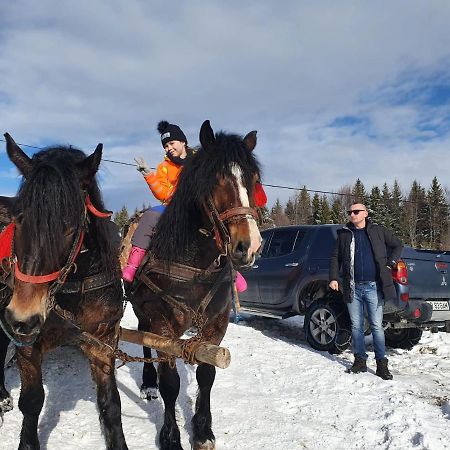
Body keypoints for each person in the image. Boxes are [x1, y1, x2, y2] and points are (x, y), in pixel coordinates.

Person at [329, 203, 403, 380]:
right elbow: (335, 257)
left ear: (365, 214)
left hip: (373, 287)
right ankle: (360, 361)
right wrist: (333, 277)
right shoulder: (344, 233)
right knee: (357, 326)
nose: (352, 215)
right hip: (352, 286)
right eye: (350, 212)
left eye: (356, 212)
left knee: (377, 326)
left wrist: (390, 264)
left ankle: (381, 365)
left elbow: (398, 245)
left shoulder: (378, 231)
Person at [122, 121, 193, 283]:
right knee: (149, 216)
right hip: (173, 207)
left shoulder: (198, 160)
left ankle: (231, 271)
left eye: (172, 143)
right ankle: (133, 264)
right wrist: (148, 175)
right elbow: (162, 194)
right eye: (166, 146)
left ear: (183, 142)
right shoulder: (164, 167)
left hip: (198, 207)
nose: (169, 148)